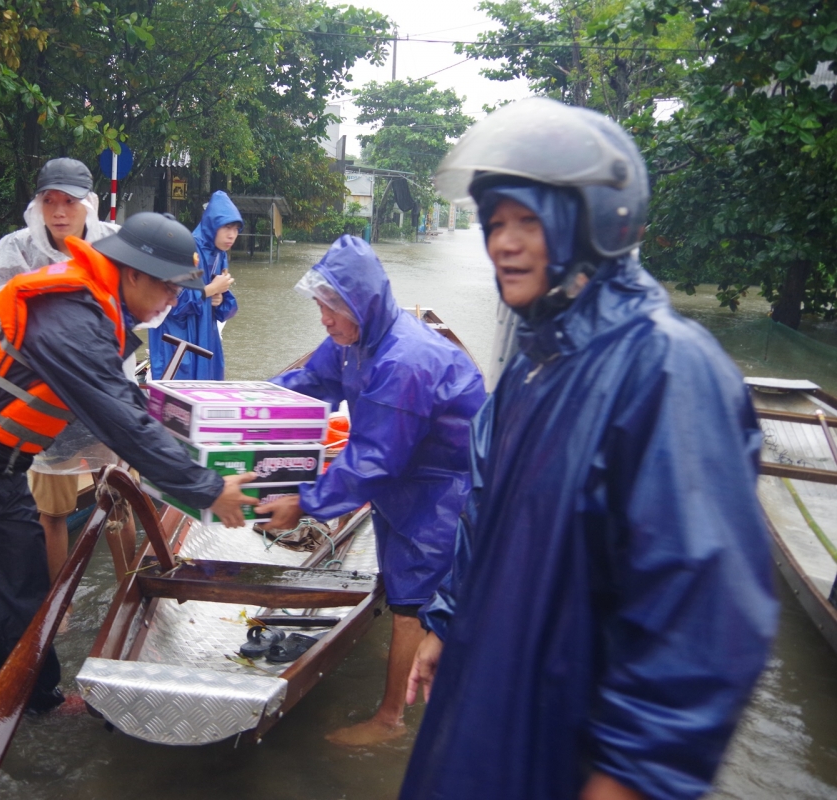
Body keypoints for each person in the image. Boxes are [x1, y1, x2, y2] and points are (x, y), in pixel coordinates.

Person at [399, 98, 778, 800]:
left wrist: (629, 777)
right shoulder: (534, 362)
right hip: (487, 703)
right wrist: (443, 624)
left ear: (595, 224)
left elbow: (703, 610)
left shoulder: (667, 370)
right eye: (495, 223)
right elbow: (485, 507)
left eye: (528, 221)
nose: (502, 244)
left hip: (569, 737)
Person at [0, 212, 257, 799]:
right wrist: (207, 487)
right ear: (131, 273)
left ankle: (40, 698)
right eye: (164, 286)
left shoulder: (98, 309)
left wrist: (179, 448)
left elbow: (122, 402)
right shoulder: (69, 314)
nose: (167, 300)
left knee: (19, 592)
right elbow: (119, 415)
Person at [256, 235, 485, 747]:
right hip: (405, 477)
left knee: (411, 600)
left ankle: (390, 719)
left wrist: (306, 502)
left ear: (361, 305)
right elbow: (307, 384)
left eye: (330, 309)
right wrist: (245, 404)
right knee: (402, 585)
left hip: (442, 487)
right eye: (319, 308)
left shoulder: (405, 360)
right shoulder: (352, 342)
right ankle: (417, 662)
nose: (323, 320)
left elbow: (373, 460)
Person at [0, 157, 122, 584]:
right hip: (43, 396)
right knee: (50, 510)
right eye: (49, 201)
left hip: (103, 394)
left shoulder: (115, 245)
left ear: (89, 204)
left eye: (69, 202)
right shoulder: (17, 248)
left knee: (118, 496)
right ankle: (57, 603)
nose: (59, 212)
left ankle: (133, 589)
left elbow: (146, 311)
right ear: (36, 205)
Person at [147, 190, 242, 380]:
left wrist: (220, 297)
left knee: (207, 391)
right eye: (227, 228)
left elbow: (224, 309)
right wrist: (209, 290)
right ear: (213, 225)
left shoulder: (219, 254)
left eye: (236, 229)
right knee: (177, 395)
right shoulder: (186, 248)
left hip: (206, 333)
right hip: (178, 335)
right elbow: (169, 303)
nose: (232, 235)